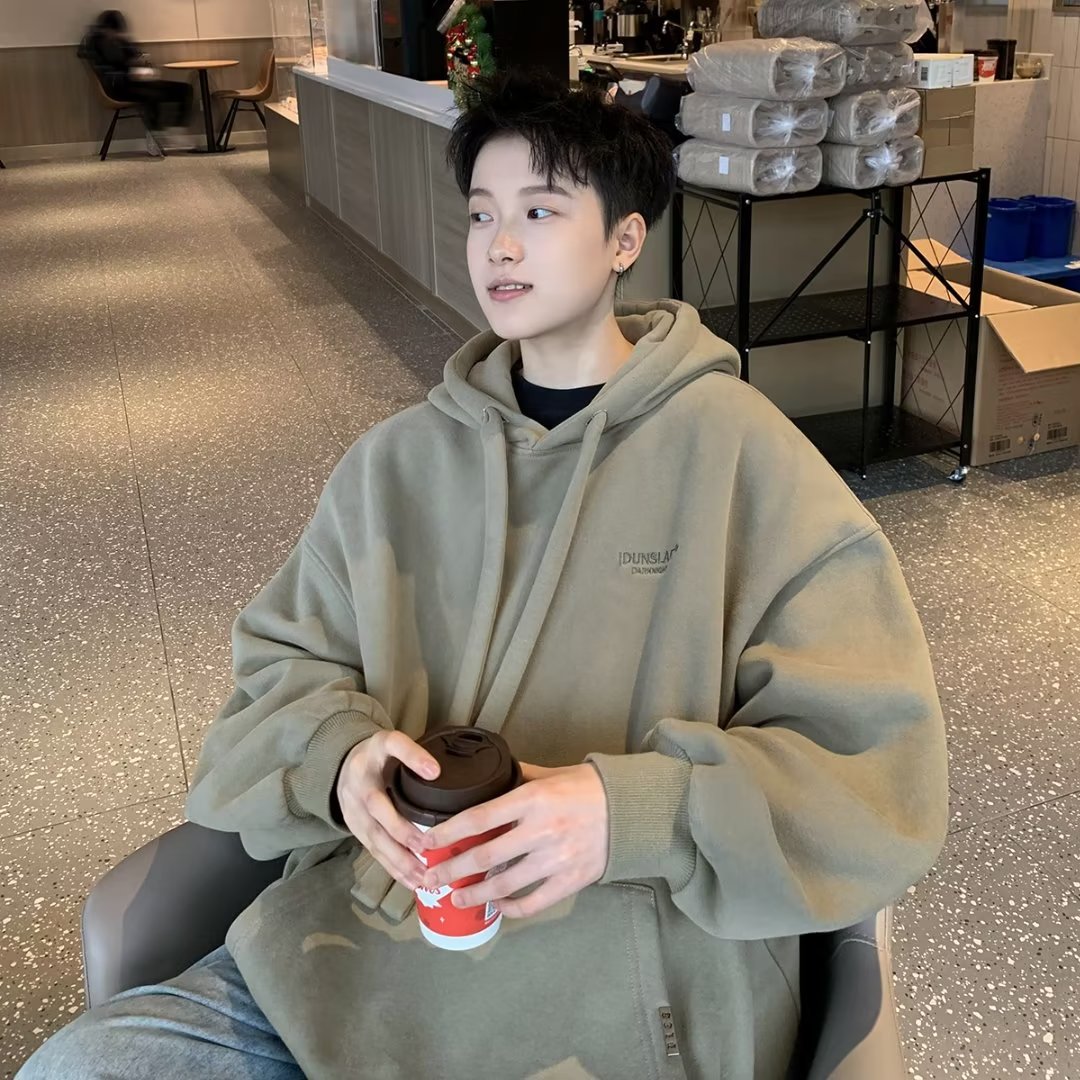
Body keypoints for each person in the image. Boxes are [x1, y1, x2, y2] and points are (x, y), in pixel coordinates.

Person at [18, 70, 948, 1079]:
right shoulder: (394, 466)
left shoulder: (745, 460)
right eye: (480, 213)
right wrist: (340, 762)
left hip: (627, 980)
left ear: (625, 240)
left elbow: (873, 774)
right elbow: (275, 677)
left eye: (539, 211)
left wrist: (634, 815)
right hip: (358, 955)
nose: (499, 245)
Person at [78, 10, 192, 149]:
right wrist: (130, 73)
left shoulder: (120, 40)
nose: (116, 35)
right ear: (106, 29)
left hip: (137, 82)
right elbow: (107, 74)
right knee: (152, 96)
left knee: (184, 90)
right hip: (118, 88)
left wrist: (141, 62)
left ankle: (176, 131)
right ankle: (156, 135)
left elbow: (136, 55)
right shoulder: (96, 45)